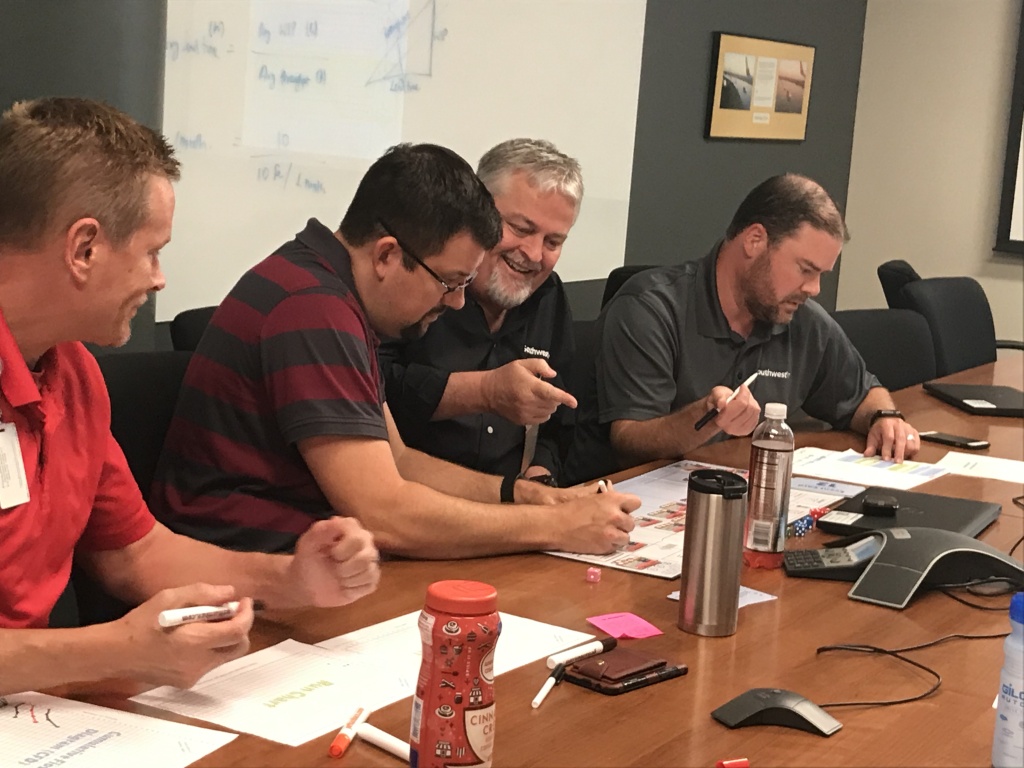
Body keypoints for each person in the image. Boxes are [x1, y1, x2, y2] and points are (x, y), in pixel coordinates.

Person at [0, 97, 380, 696]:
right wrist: (115, 651)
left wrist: (294, 580)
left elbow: (134, 554)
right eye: (152, 251)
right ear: (83, 249)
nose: (159, 279)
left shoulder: (73, 373)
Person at [151, 143, 638, 561]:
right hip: (236, 574)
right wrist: (556, 528)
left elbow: (400, 463)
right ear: (387, 255)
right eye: (449, 282)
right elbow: (385, 515)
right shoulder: (313, 309)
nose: (456, 302)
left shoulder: (333, 292)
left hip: (305, 561)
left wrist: (525, 497)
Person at [565, 173, 920, 483]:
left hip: (741, 493)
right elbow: (630, 444)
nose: (814, 289)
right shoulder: (650, 308)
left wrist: (884, 417)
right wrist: (708, 417)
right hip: (626, 505)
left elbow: (862, 394)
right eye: (805, 269)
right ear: (755, 241)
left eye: (821, 275)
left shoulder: (802, 319)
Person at [379, 138, 581, 486]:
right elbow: (373, 390)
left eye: (553, 242)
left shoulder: (549, 296)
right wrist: (484, 391)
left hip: (515, 503)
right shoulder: (418, 276)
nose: (534, 254)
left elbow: (559, 419)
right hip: (414, 496)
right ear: (478, 212)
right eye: (521, 229)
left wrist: (540, 476)